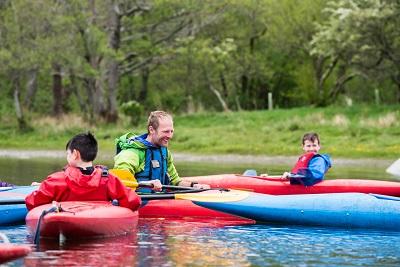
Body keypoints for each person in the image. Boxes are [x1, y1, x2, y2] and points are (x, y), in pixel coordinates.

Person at [25, 132, 141, 211]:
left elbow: (32, 202)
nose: (67, 156)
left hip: (65, 223)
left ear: (75, 154)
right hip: (98, 224)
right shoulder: (108, 179)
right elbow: (133, 201)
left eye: (68, 154)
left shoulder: (57, 180)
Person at [114, 110, 209, 191]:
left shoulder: (165, 153)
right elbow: (120, 181)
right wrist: (146, 183)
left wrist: (194, 186)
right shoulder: (132, 152)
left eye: (171, 131)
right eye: (166, 131)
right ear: (151, 130)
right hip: (139, 200)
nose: (170, 136)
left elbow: (175, 181)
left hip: (158, 199)